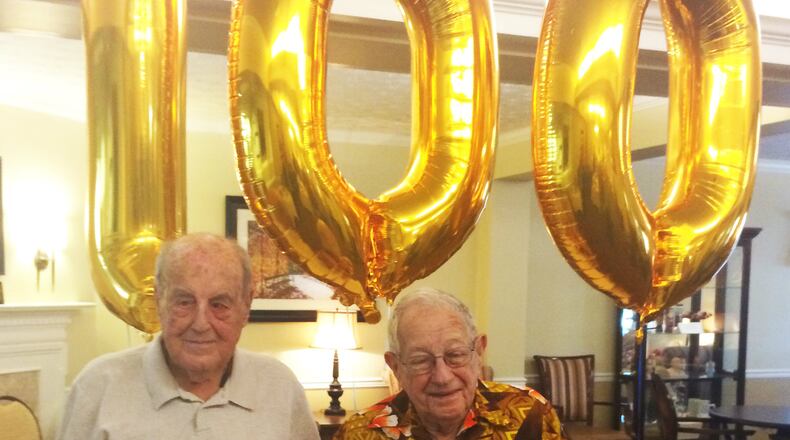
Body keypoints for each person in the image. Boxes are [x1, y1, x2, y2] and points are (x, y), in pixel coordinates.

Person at [58, 233, 319, 439]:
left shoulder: (280, 387)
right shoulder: (97, 386)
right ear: (160, 300)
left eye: (219, 304)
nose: (200, 323)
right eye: (184, 302)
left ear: (245, 307)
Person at [334, 287, 563, 440]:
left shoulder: (531, 413)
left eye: (455, 354)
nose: (442, 377)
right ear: (395, 367)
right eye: (420, 360)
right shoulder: (359, 434)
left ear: (479, 351)